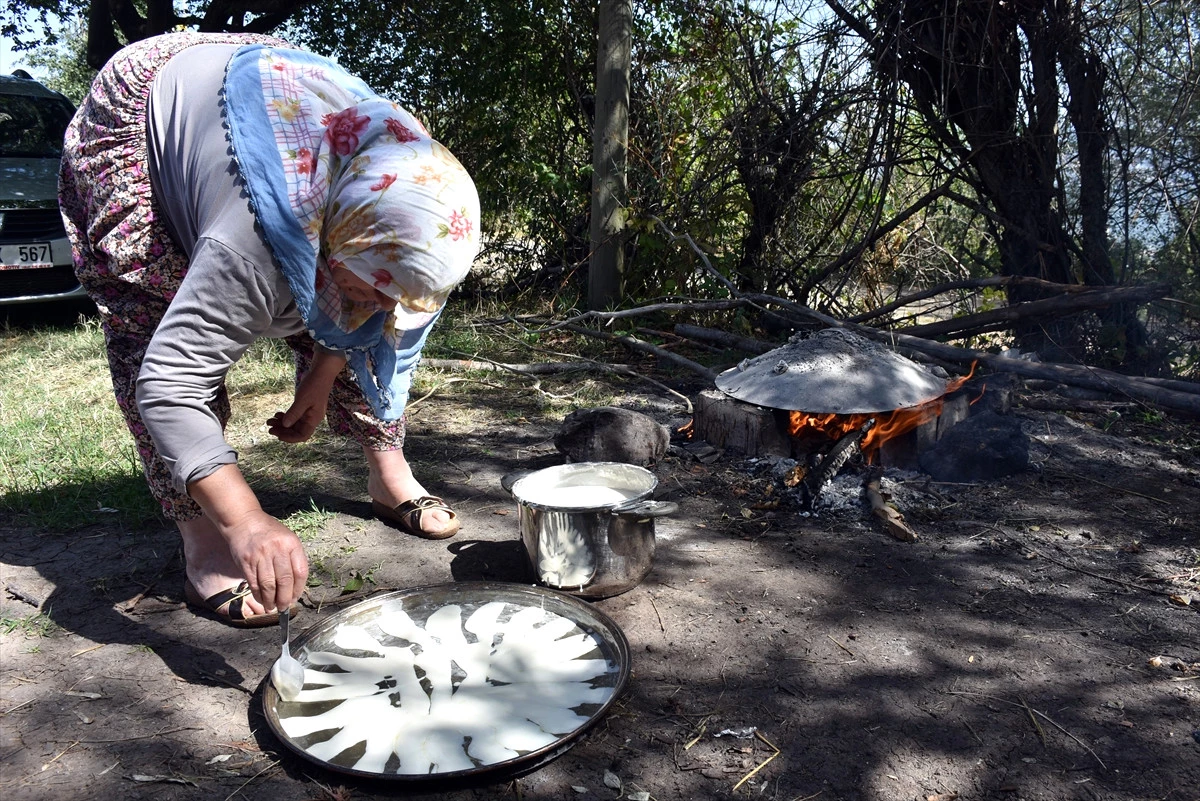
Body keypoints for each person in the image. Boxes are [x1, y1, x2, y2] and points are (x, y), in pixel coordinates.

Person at [58, 32, 481, 628]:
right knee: (152, 333)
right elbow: (169, 385)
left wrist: (317, 379)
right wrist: (246, 522)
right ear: (333, 234)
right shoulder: (253, 241)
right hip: (153, 111)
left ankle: (389, 475)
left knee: (368, 306)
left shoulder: (406, 197)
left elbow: (362, 314)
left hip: (271, 88)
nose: (382, 307)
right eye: (370, 286)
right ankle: (202, 538)